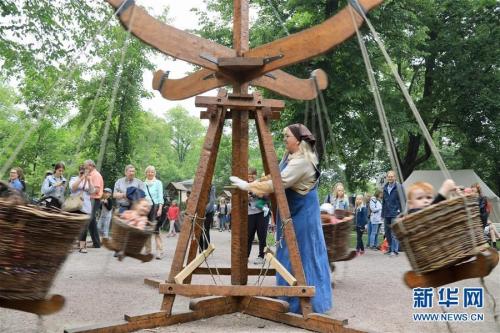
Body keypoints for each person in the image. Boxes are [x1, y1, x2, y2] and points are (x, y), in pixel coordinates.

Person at [230, 123, 332, 314]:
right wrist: (254, 182)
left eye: (287, 136)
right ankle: (288, 297)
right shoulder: (290, 156)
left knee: (302, 253)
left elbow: (279, 183)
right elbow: (274, 174)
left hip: (303, 214)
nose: (284, 139)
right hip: (292, 212)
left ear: (298, 141)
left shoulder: (302, 161)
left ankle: (305, 303)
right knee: (286, 252)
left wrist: (247, 186)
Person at [246, 167, 269, 265]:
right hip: (250, 213)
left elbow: (268, 197)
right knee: (248, 236)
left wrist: (258, 194)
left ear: (256, 175)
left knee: (262, 235)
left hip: (262, 213)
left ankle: (261, 256)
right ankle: (245, 256)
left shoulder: (260, 184)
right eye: (248, 174)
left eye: (252, 174)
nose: (250, 176)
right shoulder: (245, 185)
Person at [70, 165, 94, 253]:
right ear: (78, 171)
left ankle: (82, 246)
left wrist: (88, 180)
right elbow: (73, 188)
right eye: (81, 171)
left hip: (86, 205)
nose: (83, 172)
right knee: (74, 226)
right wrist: (81, 177)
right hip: (75, 205)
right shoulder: (74, 179)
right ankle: (71, 244)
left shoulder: (88, 180)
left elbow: (92, 191)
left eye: (84, 171)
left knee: (84, 227)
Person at [381, 170, 405, 256]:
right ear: (387, 177)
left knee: (394, 232)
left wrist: (402, 212)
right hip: (386, 212)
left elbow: (403, 200)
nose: (390, 178)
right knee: (387, 232)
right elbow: (383, 201)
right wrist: (382, 213)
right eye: (389, 176)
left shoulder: (399, 187)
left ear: (394, 177)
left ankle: (394, 250)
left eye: (392, 176)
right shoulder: (384, 187)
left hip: (396, 212)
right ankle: (390, 248)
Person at [143, 165, 165, 259]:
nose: (150, 173)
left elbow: (160, 196)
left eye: (152, 171)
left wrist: (160, 208)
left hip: (155, 208)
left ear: (154, 173)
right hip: (146, 208)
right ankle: (148, 251)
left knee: (156, 231)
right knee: (147, 230)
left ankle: (159, 251)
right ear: (146, 173)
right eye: (148, 171)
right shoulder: (143, 184)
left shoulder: (158, 183)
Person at [84, 159, 104, 249]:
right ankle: (97, 243)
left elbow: (96, 190)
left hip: (94, 199)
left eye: (86, 166)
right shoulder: (90, 175)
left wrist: (86, 190)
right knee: (92, 221)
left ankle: (82, 242)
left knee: (88, 220)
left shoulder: (96, 175)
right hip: (90, 199)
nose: (84, 167)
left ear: (91, 166)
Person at [199, 185, 216, 251]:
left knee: (206, 230)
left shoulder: (212, 187)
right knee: (199, 230)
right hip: (200, 210)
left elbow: (212, 201)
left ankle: (206, 249)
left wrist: (205, 211)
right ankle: (200, 249)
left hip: (208, 211)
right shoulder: (199, 185)